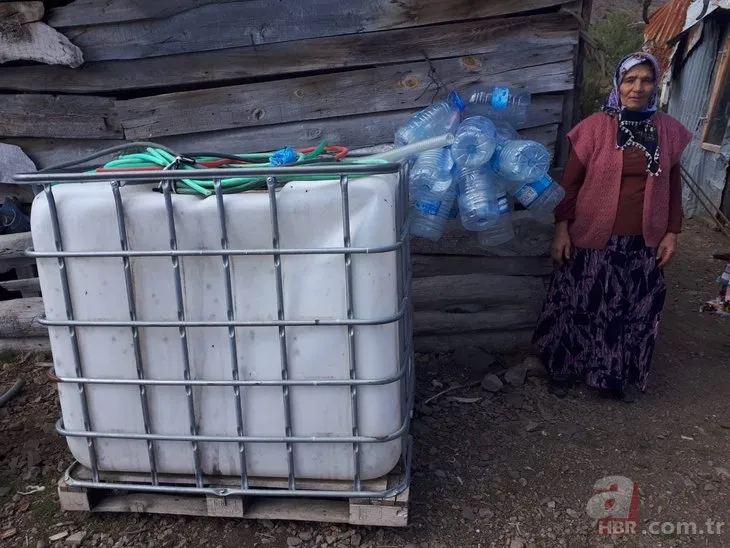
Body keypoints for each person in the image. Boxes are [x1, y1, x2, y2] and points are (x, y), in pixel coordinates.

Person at [531, 52, 692, 403]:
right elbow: (569, 185)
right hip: (591, 235)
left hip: (642, 240)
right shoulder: (594, 128)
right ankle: (563, 367)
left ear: (656, 85)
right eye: (629, 80)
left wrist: (672, 231)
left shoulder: (667, 130)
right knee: (578, 302)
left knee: (630, 308)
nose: (637, 88)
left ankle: (610, 375)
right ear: (617, 84)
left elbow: (674, 185)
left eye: (646, 80)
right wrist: (561, 228)